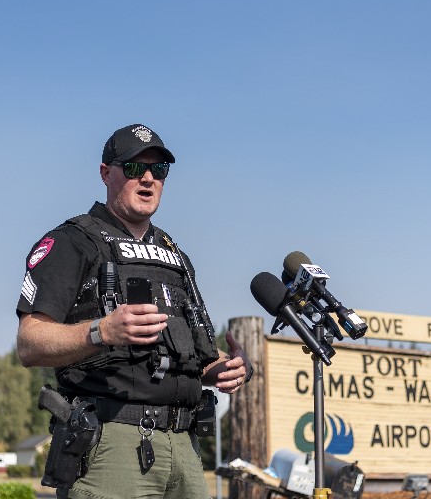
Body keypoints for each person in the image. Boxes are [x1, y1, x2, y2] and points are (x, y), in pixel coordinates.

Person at [16, 123, 253, 499]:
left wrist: (223, 368)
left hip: (185, 447)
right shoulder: (72, 241)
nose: (147, 179)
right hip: (112, 443)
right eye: (132, 168)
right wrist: (101, 331)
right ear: (105, 173)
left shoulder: (175, 256)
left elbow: (179, 354)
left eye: (158, 170)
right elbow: (30, 343)